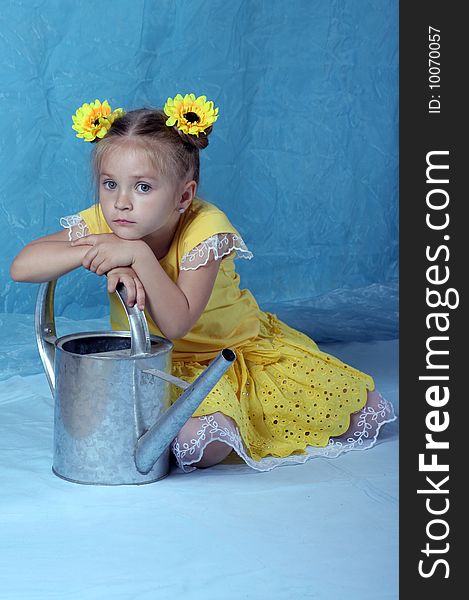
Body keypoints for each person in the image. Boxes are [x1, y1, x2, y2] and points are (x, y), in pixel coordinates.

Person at [10, 95, 396, 473]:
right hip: (152, 363)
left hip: (227, 356)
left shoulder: (205, 229)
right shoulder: (110, 223)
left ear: (183, 195)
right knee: (179, 435)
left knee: (212, 443)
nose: (121, 202)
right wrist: (91, 251)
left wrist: (137, 257)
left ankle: (241, 417)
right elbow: (23, 266)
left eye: (142, 187)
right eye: (110, 184)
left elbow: (178, 323)